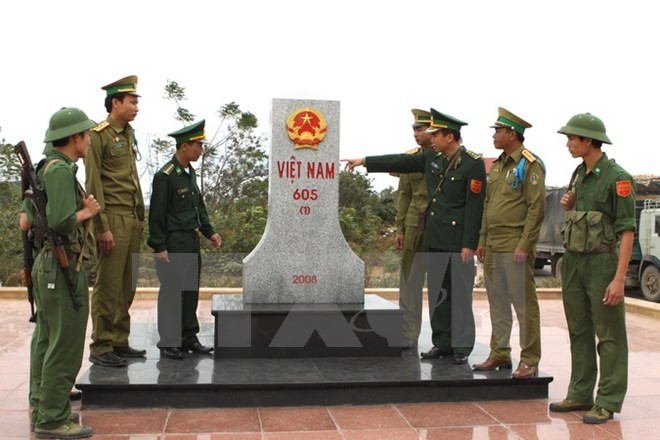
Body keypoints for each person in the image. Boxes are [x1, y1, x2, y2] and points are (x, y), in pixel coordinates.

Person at [343, 108, 486, 364]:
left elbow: (475, 208)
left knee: (459, 296)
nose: (431, 138)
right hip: (434, 236)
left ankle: (462, 347)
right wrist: (364, 160)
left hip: (457, 240)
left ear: (449, 137)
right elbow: (399, 161)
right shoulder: (432, 158)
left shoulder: (472, 163)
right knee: (438, 294)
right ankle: (442, 343)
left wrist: (469, 245)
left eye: (436, 134)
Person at [549, 113, 635, 424]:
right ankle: (581, 392)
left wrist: (619, 278)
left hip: (602, 262)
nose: (568, 144)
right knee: (579, 330)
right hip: (573, 261)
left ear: (588, 140)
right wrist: (569, 206)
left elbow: (627, 230)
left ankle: (608, 399)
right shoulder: (578, 173)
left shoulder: (617, 177)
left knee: (609, 335)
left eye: (572, 138)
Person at [29, 107, 99, 438]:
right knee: (65, 343)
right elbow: (60, 221)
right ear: (73, 137)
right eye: (86, 135)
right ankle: (53, 418)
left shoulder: (47, 168)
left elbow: (29, 217)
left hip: (47, 265)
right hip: (62, 265)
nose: (88, 140)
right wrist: (86, 212)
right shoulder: (59, 171)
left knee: (46, 337)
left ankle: (42, 402)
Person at [474, 107, 545, 379]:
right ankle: (500, 352)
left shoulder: (530, 165)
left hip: (515, 242)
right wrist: (482, 239)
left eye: (498, 131)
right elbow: (488, 205)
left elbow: (535, 209)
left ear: (512, 134)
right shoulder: (500, 164)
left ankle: (529, 359)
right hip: (493, 243)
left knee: (524, 304)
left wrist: (525, 244)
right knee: (497, 301)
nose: (494, 135)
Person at [147, 120, 221, 359]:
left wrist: (209, 232)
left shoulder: (190, 174)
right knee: (172, 292)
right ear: (184, 146)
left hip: (191, 240)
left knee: (190, 291)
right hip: (173, 241)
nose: (201, 150)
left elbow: (198, 206)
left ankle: (189, 337)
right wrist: (159, 246)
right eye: (198, 146)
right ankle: (169, 342)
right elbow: (156, 214)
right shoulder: (165, 176)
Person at [85, 75, 145, 367]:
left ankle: (119, 340)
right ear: (115, 102)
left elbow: (132, 179)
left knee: (127, 285)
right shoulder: (98, 135)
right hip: (113, 220)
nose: (136, 107)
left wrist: (140, 218)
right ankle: (101, 346)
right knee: (108, 286)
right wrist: (102, 227)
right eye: (132, 102)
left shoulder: (128, 134)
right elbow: (94, 182)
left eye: (136, 102)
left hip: (132, 220)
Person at [396, 109, 433, 350]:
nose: (416, 134)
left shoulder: (451, 158)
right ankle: (408, 333)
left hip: (440, 226)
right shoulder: (410, 159)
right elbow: (404, 195)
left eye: (420, 129)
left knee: (442, 283)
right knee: (409, 282)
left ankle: (444, 338)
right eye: (414, 130)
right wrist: (399, 228)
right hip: (412, 226)